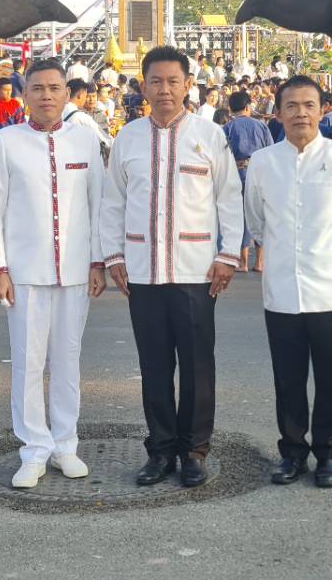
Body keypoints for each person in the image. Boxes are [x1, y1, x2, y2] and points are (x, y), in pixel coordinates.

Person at [100, 45, 244, 489]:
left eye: (173, 81)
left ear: (188, 85)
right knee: (155, 365)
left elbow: (229, 197)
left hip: (196, 271)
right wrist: (115, 255)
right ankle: (160, 449)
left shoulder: (209, 135)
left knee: (199, 364)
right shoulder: (128, 137)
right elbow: (113, 202)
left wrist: (227, 254)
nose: (164, 89)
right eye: (156, 81)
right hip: (143, 272)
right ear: (143, 86)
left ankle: (194, 451)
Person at [244, 76, 332, 489]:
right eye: (292, 105)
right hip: (281, 292)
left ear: (322, 110)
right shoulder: (264, 162)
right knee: (288, 379)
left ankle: (329, 453)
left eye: (309, 105)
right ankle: (292, 451)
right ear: (278, 112)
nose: (300, 113)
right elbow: (256, 221)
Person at [0, 59, 108, 489]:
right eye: (38, 88)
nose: (47, 96)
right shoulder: (7, 141)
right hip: (25, 272)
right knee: (28, 363)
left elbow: (98, 204)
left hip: (75, 271)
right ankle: (33, 449)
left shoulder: (85, 141)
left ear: (67, 94)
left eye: (55, 88)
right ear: (26, 93)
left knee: (67, 360)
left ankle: (65, 445)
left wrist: (98, 261)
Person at [224, 91, 273, 272]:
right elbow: (271, 150)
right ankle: (259, 262)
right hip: (260, 173)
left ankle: (243, 262)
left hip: (236, 172)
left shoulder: (227, 128)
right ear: (247, 107)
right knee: (260, 214)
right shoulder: (261, 127)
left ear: (231, 109)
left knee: (240, 216)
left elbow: (222, 155)